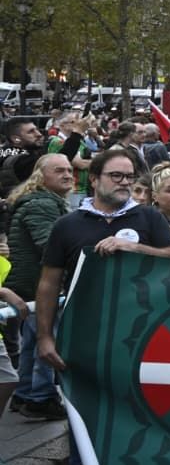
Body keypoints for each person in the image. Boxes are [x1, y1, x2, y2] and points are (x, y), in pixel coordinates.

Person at [34, 148, 170, 465]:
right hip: (84, 332)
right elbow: (49, 284)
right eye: (116, 176)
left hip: (140, 333)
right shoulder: (69, 225)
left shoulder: (147, 217)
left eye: (130, 176)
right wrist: (45, 336)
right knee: (81, 408)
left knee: (139, 405)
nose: (125, 183)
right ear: (95, 179)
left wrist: (134, 247)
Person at [5, 153, 74, 421]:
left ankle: (25, 394)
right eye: (59, 170)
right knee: (48, 338)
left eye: (69, 169)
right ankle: (40, 397)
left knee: (34, 340)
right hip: (39, 283)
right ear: (40, 176)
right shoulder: (42, 204)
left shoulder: (44, 201)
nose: (68, 174)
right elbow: (50, 246)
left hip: (33, 282)